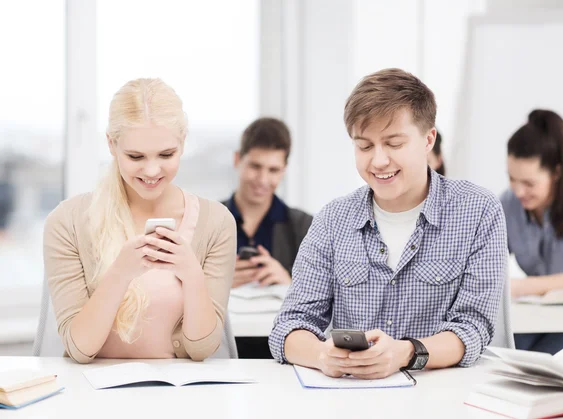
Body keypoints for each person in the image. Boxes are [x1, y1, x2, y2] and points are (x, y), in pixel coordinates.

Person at [269, 68, 507, 378]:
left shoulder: (478, 211)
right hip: (352, 398)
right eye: (364, 146)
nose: (378, 161)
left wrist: (405, 353)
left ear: (428, 140)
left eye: (394, 144)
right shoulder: (332, 220)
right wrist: (321, 354)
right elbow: (288, 327)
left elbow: (473, 329)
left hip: (442, 398)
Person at [43, 78, 236, 364]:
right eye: (135, 156)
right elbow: (80, 350)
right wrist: (120, 273)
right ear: (111, 144)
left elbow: (201, 349)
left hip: (181, 396)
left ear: (182, 143)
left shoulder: (217, 222)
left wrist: (191, 275)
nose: (151, 170)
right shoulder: (67, 221)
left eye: (166, 154)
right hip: (90, 396)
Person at [501, 109, 563, 354]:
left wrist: (513, 287)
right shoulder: (509, 203)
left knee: (541, 358)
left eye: (529, 183)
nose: (518, 191)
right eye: (512, 179)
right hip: (540, 315)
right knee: (504, 351)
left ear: (556, 173)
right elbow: (486, 256)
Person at [222, 117, 312, 358]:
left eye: (273, 170)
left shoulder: (305, 227)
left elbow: (324, 302)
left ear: (284, 170)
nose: (262, 180)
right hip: (220, 352)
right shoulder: (209, 220)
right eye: (255, 166)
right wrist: (217, 284)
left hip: (281, 354)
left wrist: (287, 283)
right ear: (237, 160)